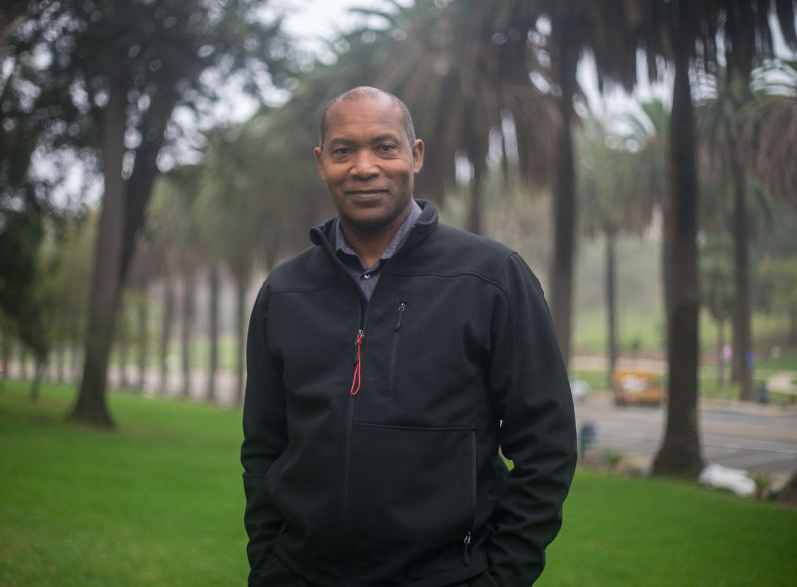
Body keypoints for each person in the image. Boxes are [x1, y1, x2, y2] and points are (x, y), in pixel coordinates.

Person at [241, 86, 577, 587]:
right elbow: (264, 447)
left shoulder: (491, 277)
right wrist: (268, 563)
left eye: (384, 147)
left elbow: (546, 444)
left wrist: (504, 575)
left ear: (414, 155)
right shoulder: (285, 291)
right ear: (321, 163)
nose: (363, 167)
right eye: (343, 151)